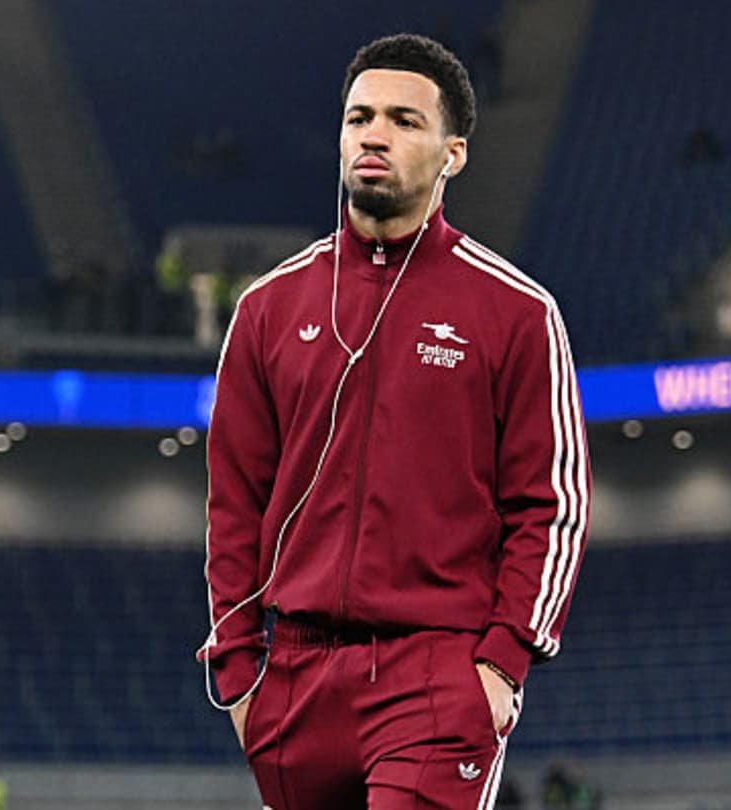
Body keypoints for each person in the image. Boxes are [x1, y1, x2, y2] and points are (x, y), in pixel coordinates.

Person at [199, 33, 591, 809]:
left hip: (437, 674)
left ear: (454, 154)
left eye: (404, 121)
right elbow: (233, 503)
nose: (374, 135)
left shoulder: (515, 312)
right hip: (294, 685)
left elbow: (552, 504)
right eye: (359, 117)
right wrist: (240, 675)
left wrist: (502, 662)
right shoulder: (267, 309)